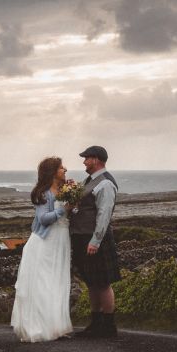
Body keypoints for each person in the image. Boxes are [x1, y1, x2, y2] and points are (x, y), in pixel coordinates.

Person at [11, 157, 74, 342]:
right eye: (62, 167)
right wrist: (65, 209)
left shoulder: (64, 190)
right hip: (44, 243)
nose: (65, 169)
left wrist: (72, 206)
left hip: (61, 240)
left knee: (57, 282)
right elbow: (43, 219)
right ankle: (39, 327)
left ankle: (56, 327)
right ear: (53, 171)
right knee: (43, 284)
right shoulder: (44, 193)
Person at [70, 145, 121, 338]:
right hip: (83, 237)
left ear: (97, 160)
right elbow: (85, 208)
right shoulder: (89, 181)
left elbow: (104, 214)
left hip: (94, 239)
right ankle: (96, 323)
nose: (84, 161)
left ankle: (109, 326)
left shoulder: (106, 183)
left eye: (86, 158)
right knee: (91, 281)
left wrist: (95, 241)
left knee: (103, 282)